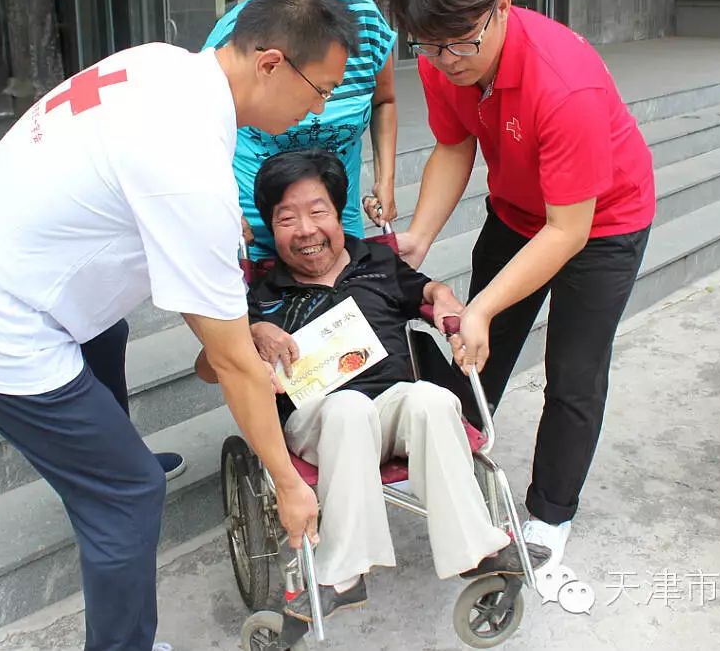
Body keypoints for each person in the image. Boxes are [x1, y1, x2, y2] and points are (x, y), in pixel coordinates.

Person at [0, 0, 357, 651]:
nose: (318, 108)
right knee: (128, 495)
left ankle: (106, 460)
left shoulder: (160, 63)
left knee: (108, 336)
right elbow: (234, 364)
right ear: (271, 63)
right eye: (318, 89)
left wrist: (234, 318)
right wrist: (289, 483)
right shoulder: (189, 167)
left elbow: (201, 294)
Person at [381, 0, 655, 571]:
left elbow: (568, 231)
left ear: (502, 5)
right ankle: (445, 455)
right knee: (479, 343)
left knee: (574, 370)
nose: (447, 60)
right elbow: (454, 146)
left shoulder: (565, 84)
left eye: (461, 42)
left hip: (602, 222)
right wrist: (419, 235)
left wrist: (480, 305)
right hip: (517, 209)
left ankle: (551, 513)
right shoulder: (443, 52)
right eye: (430, 46)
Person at [195, 149, 550, 623]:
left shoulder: (377, 261)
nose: (306, 230)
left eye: (317, 212)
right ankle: (342, 574)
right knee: (348, 408)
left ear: (338, 214)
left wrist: (443, 297)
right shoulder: (262, 296)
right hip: (318, 421)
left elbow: (427, 292)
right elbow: (209, 367)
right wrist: (250, 333)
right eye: (287, 219)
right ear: (271, 229)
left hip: (394, 408)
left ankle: (478, 550)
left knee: (432, 398)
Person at [204, 0, 399, 258]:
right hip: (256, 227)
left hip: (337, 219)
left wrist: (385, 180)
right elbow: (205, 129)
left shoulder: (363, 20)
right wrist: (222, 208)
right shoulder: (233, 37)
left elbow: (384, 100)